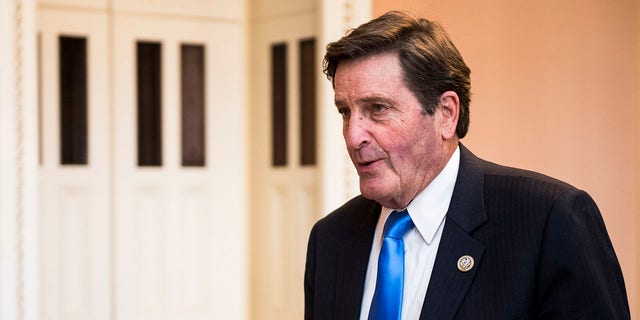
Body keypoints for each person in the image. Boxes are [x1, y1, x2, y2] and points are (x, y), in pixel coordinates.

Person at [304, 10, 630, 320]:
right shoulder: (330, 239)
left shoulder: (548, 220)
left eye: (377, 108)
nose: (353, 136)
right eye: (345, 112)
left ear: (446, 114)